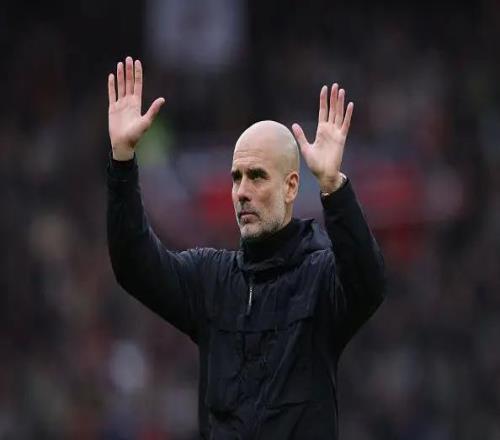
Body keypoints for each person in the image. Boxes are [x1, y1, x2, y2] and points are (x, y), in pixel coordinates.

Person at [106, 56, 386, 439]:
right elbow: (133, 265)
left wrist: (333, 187)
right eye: (236, 177)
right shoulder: (210, 280)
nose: (241, 191)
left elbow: (368, 283)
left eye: (257, 176)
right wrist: (122, 162)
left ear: (291, 187)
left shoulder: (320, 278)